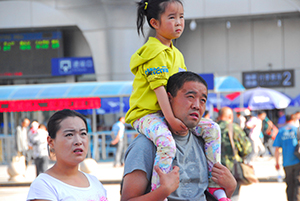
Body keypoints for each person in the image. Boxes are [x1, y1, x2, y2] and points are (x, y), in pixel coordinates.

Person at [125, 1, 225, 200]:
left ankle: (214, 184)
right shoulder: (154, 52)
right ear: (154, 23)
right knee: (166, 143)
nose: (178, 22)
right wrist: (171, 119)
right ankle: (158, 191)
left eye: (181, 16)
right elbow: (160, 89)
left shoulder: (177, 54)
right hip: (147, 115)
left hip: (166, 115)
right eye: (171, 17)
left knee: (213, 129)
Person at [121, 71, 237, 201]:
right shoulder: (145, 146)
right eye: (190, 97)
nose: (197, 106)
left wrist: (230, 188)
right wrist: (162, 191)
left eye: (203, 100)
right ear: (169, 99)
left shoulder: (204, 143)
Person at [27, 109, 108, 201]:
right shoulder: (44, 185)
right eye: (69, 134)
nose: (78, 141)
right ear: (51, 141)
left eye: (83, 133)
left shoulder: (94, 182)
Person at [217, 107, 253, 201]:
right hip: (232, 170)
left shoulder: (211, 127)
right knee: (233, 196)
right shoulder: (234, 127)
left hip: (214, 170)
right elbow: (247, 149)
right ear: (230, 116)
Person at [273, 114, 300, 201]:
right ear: (294, 120)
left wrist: (277, 163)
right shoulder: (297, 130)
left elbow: (276, 150)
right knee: (297, 183)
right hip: (297, 160)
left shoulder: (281, 131)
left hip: (286, 162)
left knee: (289, 184)